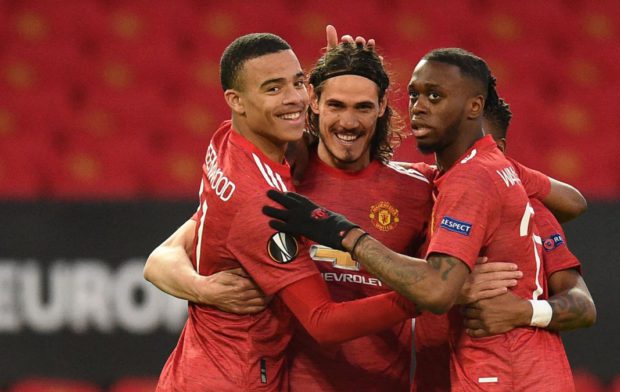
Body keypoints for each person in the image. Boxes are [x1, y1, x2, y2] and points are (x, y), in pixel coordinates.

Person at [264, 48, 576, 391]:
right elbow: (200, 233)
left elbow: (572, 202)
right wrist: (195, 284)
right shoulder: (281, 181)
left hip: (388, 383)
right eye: (336, 105)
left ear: (382, 107)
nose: (349, 122)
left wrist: (492, 166)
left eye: (363, 107)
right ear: (314, 102)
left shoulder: (425, 185)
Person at [153, 33, 427, 392]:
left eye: (298, 83)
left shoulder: (227, 142)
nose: (293, 98)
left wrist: (200, 288)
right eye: (273, 88)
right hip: (237, 379)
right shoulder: (270, 202)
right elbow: (322, 321)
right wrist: (427, 292)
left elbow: (161, 255)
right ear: (236, 101)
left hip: (202, 371)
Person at [412, 98, 596, 391]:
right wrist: (450, 286)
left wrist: (524, 311)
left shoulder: (534, 212)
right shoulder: (421, 193)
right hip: (432, 377)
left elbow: (584, 307)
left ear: (498, 150)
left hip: (508, 375)